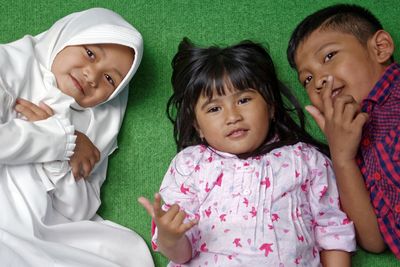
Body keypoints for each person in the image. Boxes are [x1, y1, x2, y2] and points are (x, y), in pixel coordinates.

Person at [139, 38, 356, 266]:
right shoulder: (190, 164)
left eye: (243, 100)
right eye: (214, 108)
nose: (232, 117)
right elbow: (181, 255)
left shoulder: (306, 159)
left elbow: (333, 233)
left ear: (271, 106)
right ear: (197, 126)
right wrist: (170, 237)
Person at [0, 8, 154, 267]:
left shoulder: (97, 123)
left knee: (124, 253)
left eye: (109, 79)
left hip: (45, 230)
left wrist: (63, 161)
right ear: (66, 37)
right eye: (90, 53)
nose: (91, 76)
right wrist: (61, 141)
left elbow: (79, 211)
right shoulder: (10, 65)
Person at [286, 3, 400, 259]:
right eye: (307, 79)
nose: (319, 81)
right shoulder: (351, 147)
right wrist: (342, 156)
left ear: (380, 48)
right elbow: (373, 240)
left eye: (329, 56)